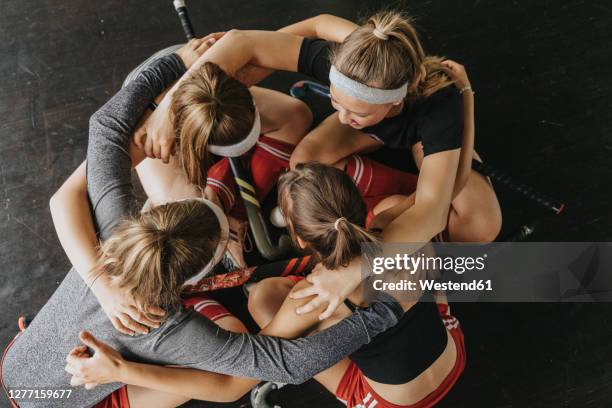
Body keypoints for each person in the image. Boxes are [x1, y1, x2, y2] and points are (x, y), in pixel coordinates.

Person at [0, 46, 403, 408]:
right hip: (400, 369)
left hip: (20, 364)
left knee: (264, 303)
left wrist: (178, 64)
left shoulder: (114, 229)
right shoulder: (414, 242)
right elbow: (278, 366)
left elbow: (107, 125)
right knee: (262, 306)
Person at [62, 162, 465, 408]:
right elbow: (439, 195)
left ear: (301, 240)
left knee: (263, 297)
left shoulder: (307, 302)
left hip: (389, 403)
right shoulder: (404, 218)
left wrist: (119, 369)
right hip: (451, 353)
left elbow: (234, 384)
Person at [139, 11, 501, 246]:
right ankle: (383, 198)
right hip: (376, 131)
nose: (342, 116)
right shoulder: (351, 57)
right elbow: (242, 42)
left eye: (355, 111)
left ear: (395, 101)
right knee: (304, 165)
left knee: (480, 229)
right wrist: (169, 109)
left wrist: (360, 266)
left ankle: (413, 188)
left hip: (423, 140)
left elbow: (433, 212)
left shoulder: (439, 107)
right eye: (334, 101)